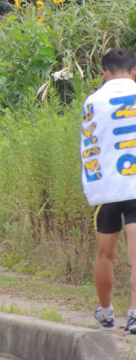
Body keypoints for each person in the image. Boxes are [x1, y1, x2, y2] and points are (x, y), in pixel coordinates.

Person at [81, 48, 136, 333]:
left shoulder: (93, 102)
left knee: (106, 255)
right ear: (134, 72)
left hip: (107, 189)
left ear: (104, 73)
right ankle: (135, 314)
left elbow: (90, 145)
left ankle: (105, 313)